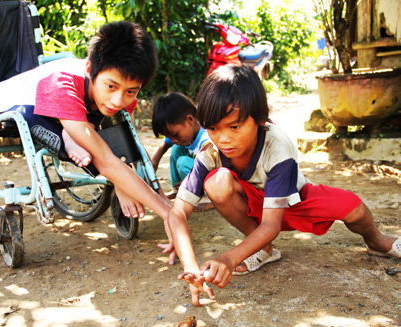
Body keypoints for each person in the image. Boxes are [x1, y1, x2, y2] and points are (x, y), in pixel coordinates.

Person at [167, 64, 401, 306]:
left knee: (355, 208)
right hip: (254, 203)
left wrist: (229, 259)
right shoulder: (211, 152)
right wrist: (191, 266)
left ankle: (377, 240)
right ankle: (264, 249)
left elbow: (272, 223)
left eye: (234, 126)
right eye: (213, 128)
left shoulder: (277, 145)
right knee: (216, 183)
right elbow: (177, 214)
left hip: (293, 199)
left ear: (259, 119)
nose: (223, 138)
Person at [31, 21, 176, 263]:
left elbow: (125, 145)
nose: (118, 99)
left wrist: (141, 189)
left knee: (107, 132)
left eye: (131, 91)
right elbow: (107, 161)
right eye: (111, 86)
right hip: (30, 108)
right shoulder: (61, 85)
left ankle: (75, 132)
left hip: (81, 115)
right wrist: (167, 212)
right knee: (95, 147)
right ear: (90, 68)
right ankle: (71, 134)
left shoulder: (123, 97)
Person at [151, 92, 214, 212]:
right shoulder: (186, 134)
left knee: (183, 162)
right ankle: (177, 190)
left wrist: (189, 180)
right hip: (200, 172)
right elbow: (167, 141)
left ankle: (208, 199)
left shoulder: (206, 140)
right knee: (176, 149)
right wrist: (155, 160)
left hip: (212, 176)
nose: (174, 139)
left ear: (189, 120)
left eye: (175, 134)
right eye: (169, 136)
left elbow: (215, 168)